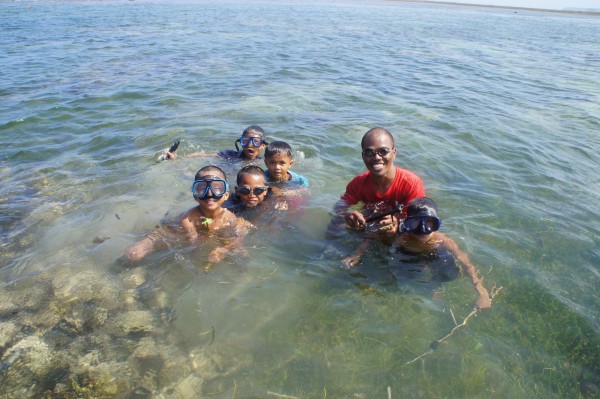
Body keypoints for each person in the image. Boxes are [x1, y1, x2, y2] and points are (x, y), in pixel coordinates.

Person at [348, 197, 492, 310]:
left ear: (437, 224)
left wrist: (482, 291)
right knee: (406, 279)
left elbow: (465, 262)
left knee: (450, 273)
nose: (423, 228)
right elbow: (372, 237)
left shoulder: (442, 240)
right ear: (407, 224)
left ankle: (435, 287)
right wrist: (356, 254)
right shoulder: (402, 237)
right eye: (415, 223)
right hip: (409, 255)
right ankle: (429, 289)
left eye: (430, 223)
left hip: (435, 253)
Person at [124, 165, 251, 270]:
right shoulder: (188, 219)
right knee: (133, 254)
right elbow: (195, 245)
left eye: (217, 188)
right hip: (171, 231)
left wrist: (224, 249)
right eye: (202, 189)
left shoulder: (230, 217)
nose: (210, 194)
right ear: (195, 195)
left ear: (226, 194)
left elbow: (237, 237)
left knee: (243, 254)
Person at [334, 127, 425, 233]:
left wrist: (398, 224)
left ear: (394, 153)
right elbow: (338, 207)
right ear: (363, 156)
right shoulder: (358, 183)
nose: (377, 157)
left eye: (383, 151)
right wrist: (347, 215)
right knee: (335, 227)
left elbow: (418, 219)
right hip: (369, 225)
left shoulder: (411, 184)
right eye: (369, 152)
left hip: (399, 232)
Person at [161, 125, 268, 162]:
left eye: (255, 141)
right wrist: (177, 157)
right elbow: (204, 155)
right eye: (245, 141)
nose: (250, 144)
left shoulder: (264, 161)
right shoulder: (231, 155)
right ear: (240, 143)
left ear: (262, 145)